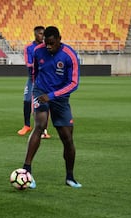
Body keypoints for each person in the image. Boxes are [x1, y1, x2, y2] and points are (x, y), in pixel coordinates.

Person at [22, 26, 82, 188]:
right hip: (41, 92)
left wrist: (53, 96)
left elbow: (74, 83)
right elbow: (34, 72)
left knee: (67, 138)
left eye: (51, 43)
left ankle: (70, 177)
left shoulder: (69, 55)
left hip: (60, 96)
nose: (48, 46)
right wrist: (37, 89)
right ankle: (26, 170)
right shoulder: (38, 51)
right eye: (45, 43)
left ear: (59, 39)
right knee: (40, 125)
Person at [17, 26, 51, 139]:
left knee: (44, 103)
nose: (42, 36)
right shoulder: (29, 47)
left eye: (44, 34)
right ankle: (26, 125)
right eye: (41, 34)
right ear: (35, 34)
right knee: (27, 100)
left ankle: (44, 130)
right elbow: (28, 63)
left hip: (44, 81)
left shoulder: (47, 47)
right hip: (32, 79)